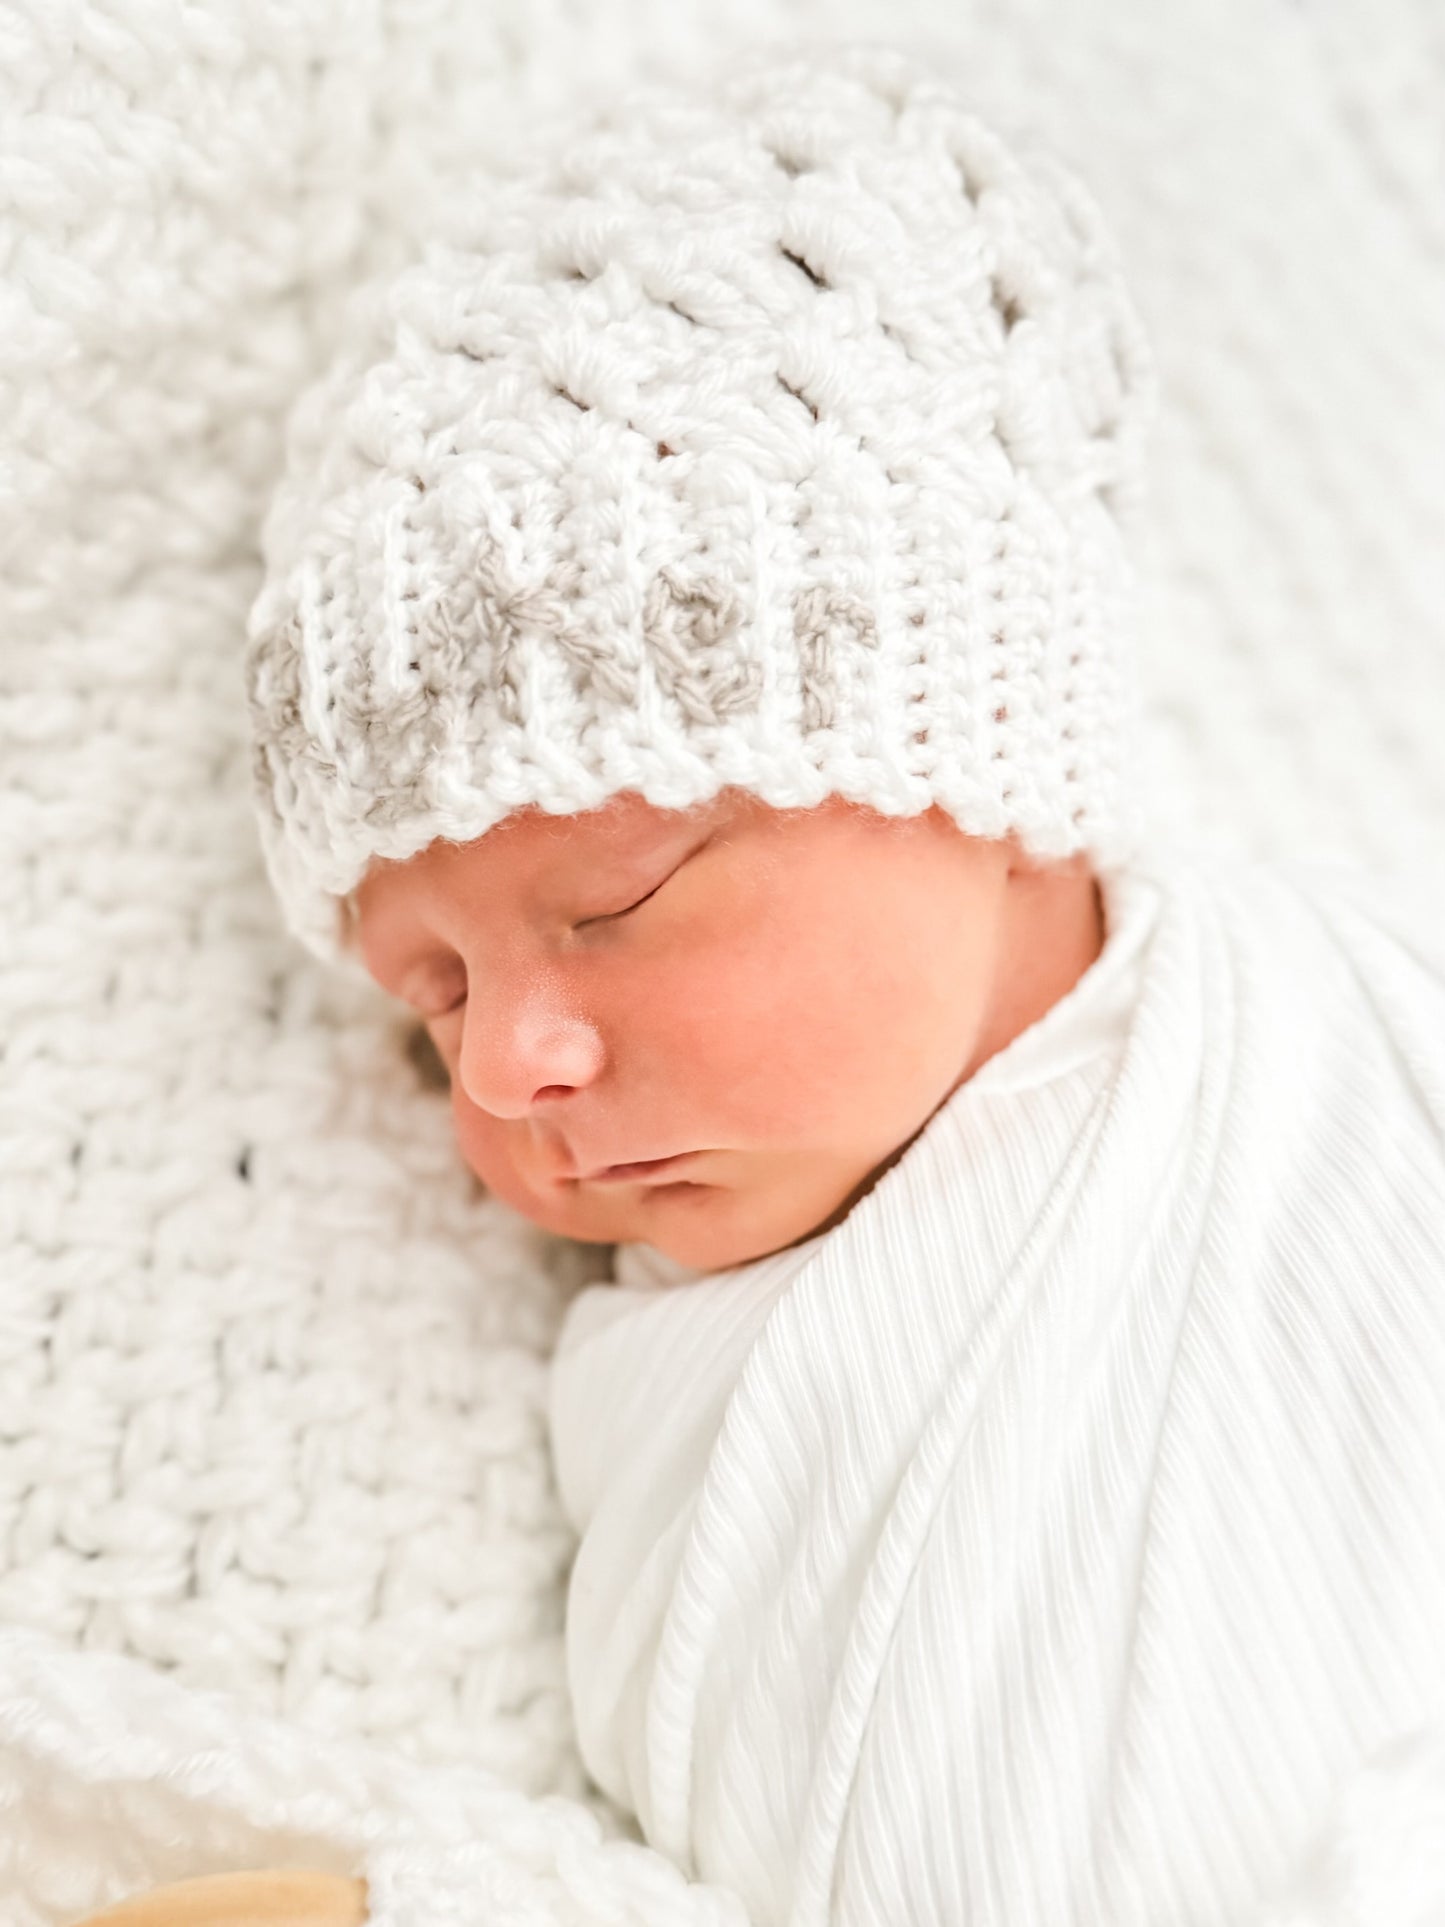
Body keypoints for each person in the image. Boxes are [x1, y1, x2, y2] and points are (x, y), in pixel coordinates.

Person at [238, 38, 1445, 1927]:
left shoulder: (1352, 1038)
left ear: (980, 778)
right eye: (433, 998)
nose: (507, 1072)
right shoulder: (645, 1413)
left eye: (617, 901)